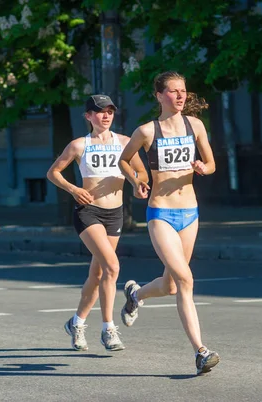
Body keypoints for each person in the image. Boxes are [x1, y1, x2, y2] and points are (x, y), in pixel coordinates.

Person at [118, 71, 220, 375]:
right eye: (173, 91)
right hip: (161, 213)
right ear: (159, 96)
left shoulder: (196, 126)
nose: (180, 96)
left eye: (183, 91)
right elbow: (124, 160)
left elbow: (213, 164)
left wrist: (204, 167)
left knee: (171, 285)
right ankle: (201, 352)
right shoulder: (147, 131)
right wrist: (135, 180)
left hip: (190, 213)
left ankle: (135, 295)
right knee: (186, 281)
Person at [46, 94, 148, 352]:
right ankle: (108, 329)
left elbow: (142, 171)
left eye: (110, 111)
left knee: (98, 273)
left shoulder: (124, 143)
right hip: (88, 212)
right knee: (112, 266)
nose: (105, 115)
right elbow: (53, 172)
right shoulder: (79, 145)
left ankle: (77, 322)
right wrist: (73, 189)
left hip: (114, 214)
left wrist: (137, 183)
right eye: (100, 111)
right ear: (88, 116)